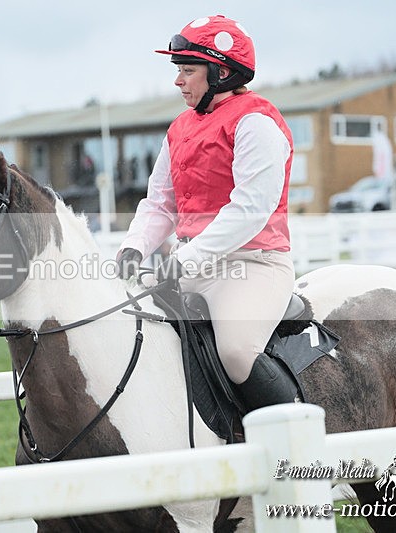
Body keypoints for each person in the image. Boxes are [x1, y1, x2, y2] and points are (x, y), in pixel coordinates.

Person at [116, 15, 297, 411]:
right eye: (178, 70)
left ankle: (301, 439)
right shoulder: (179, 128)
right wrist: (134, 246)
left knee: (236, 353)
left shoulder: (256, 122)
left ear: (221, 71)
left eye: (187, 70)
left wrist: (184, 260)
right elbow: (160, 202)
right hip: (190, 266)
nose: (178, 80)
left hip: (253, 265)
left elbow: (251, 208)